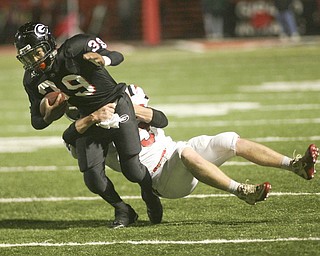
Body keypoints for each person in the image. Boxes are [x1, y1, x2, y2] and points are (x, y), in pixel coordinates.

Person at [63, 84, 319, 213]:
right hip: (163, 179)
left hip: (180, 153)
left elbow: (160, 118)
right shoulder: (98, 130)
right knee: (184, 152)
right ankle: (241, 190)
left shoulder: (136, 111)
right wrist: (93, 119)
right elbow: (74, 141)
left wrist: (127, 109)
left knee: (228, 139)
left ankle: (294, 165)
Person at [14, 22, 162, 229]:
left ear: (48, 44)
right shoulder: (33, 79)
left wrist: (104, 59)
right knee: (93, 178)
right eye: (28, 56)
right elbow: (37, 123)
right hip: (89, 116)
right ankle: (122, 209)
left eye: (36, 53)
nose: (34, 60)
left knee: (132, 170)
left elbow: (117, 56)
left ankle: (149, 195)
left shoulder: (76, 47)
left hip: (116, 104)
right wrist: (50, 114)